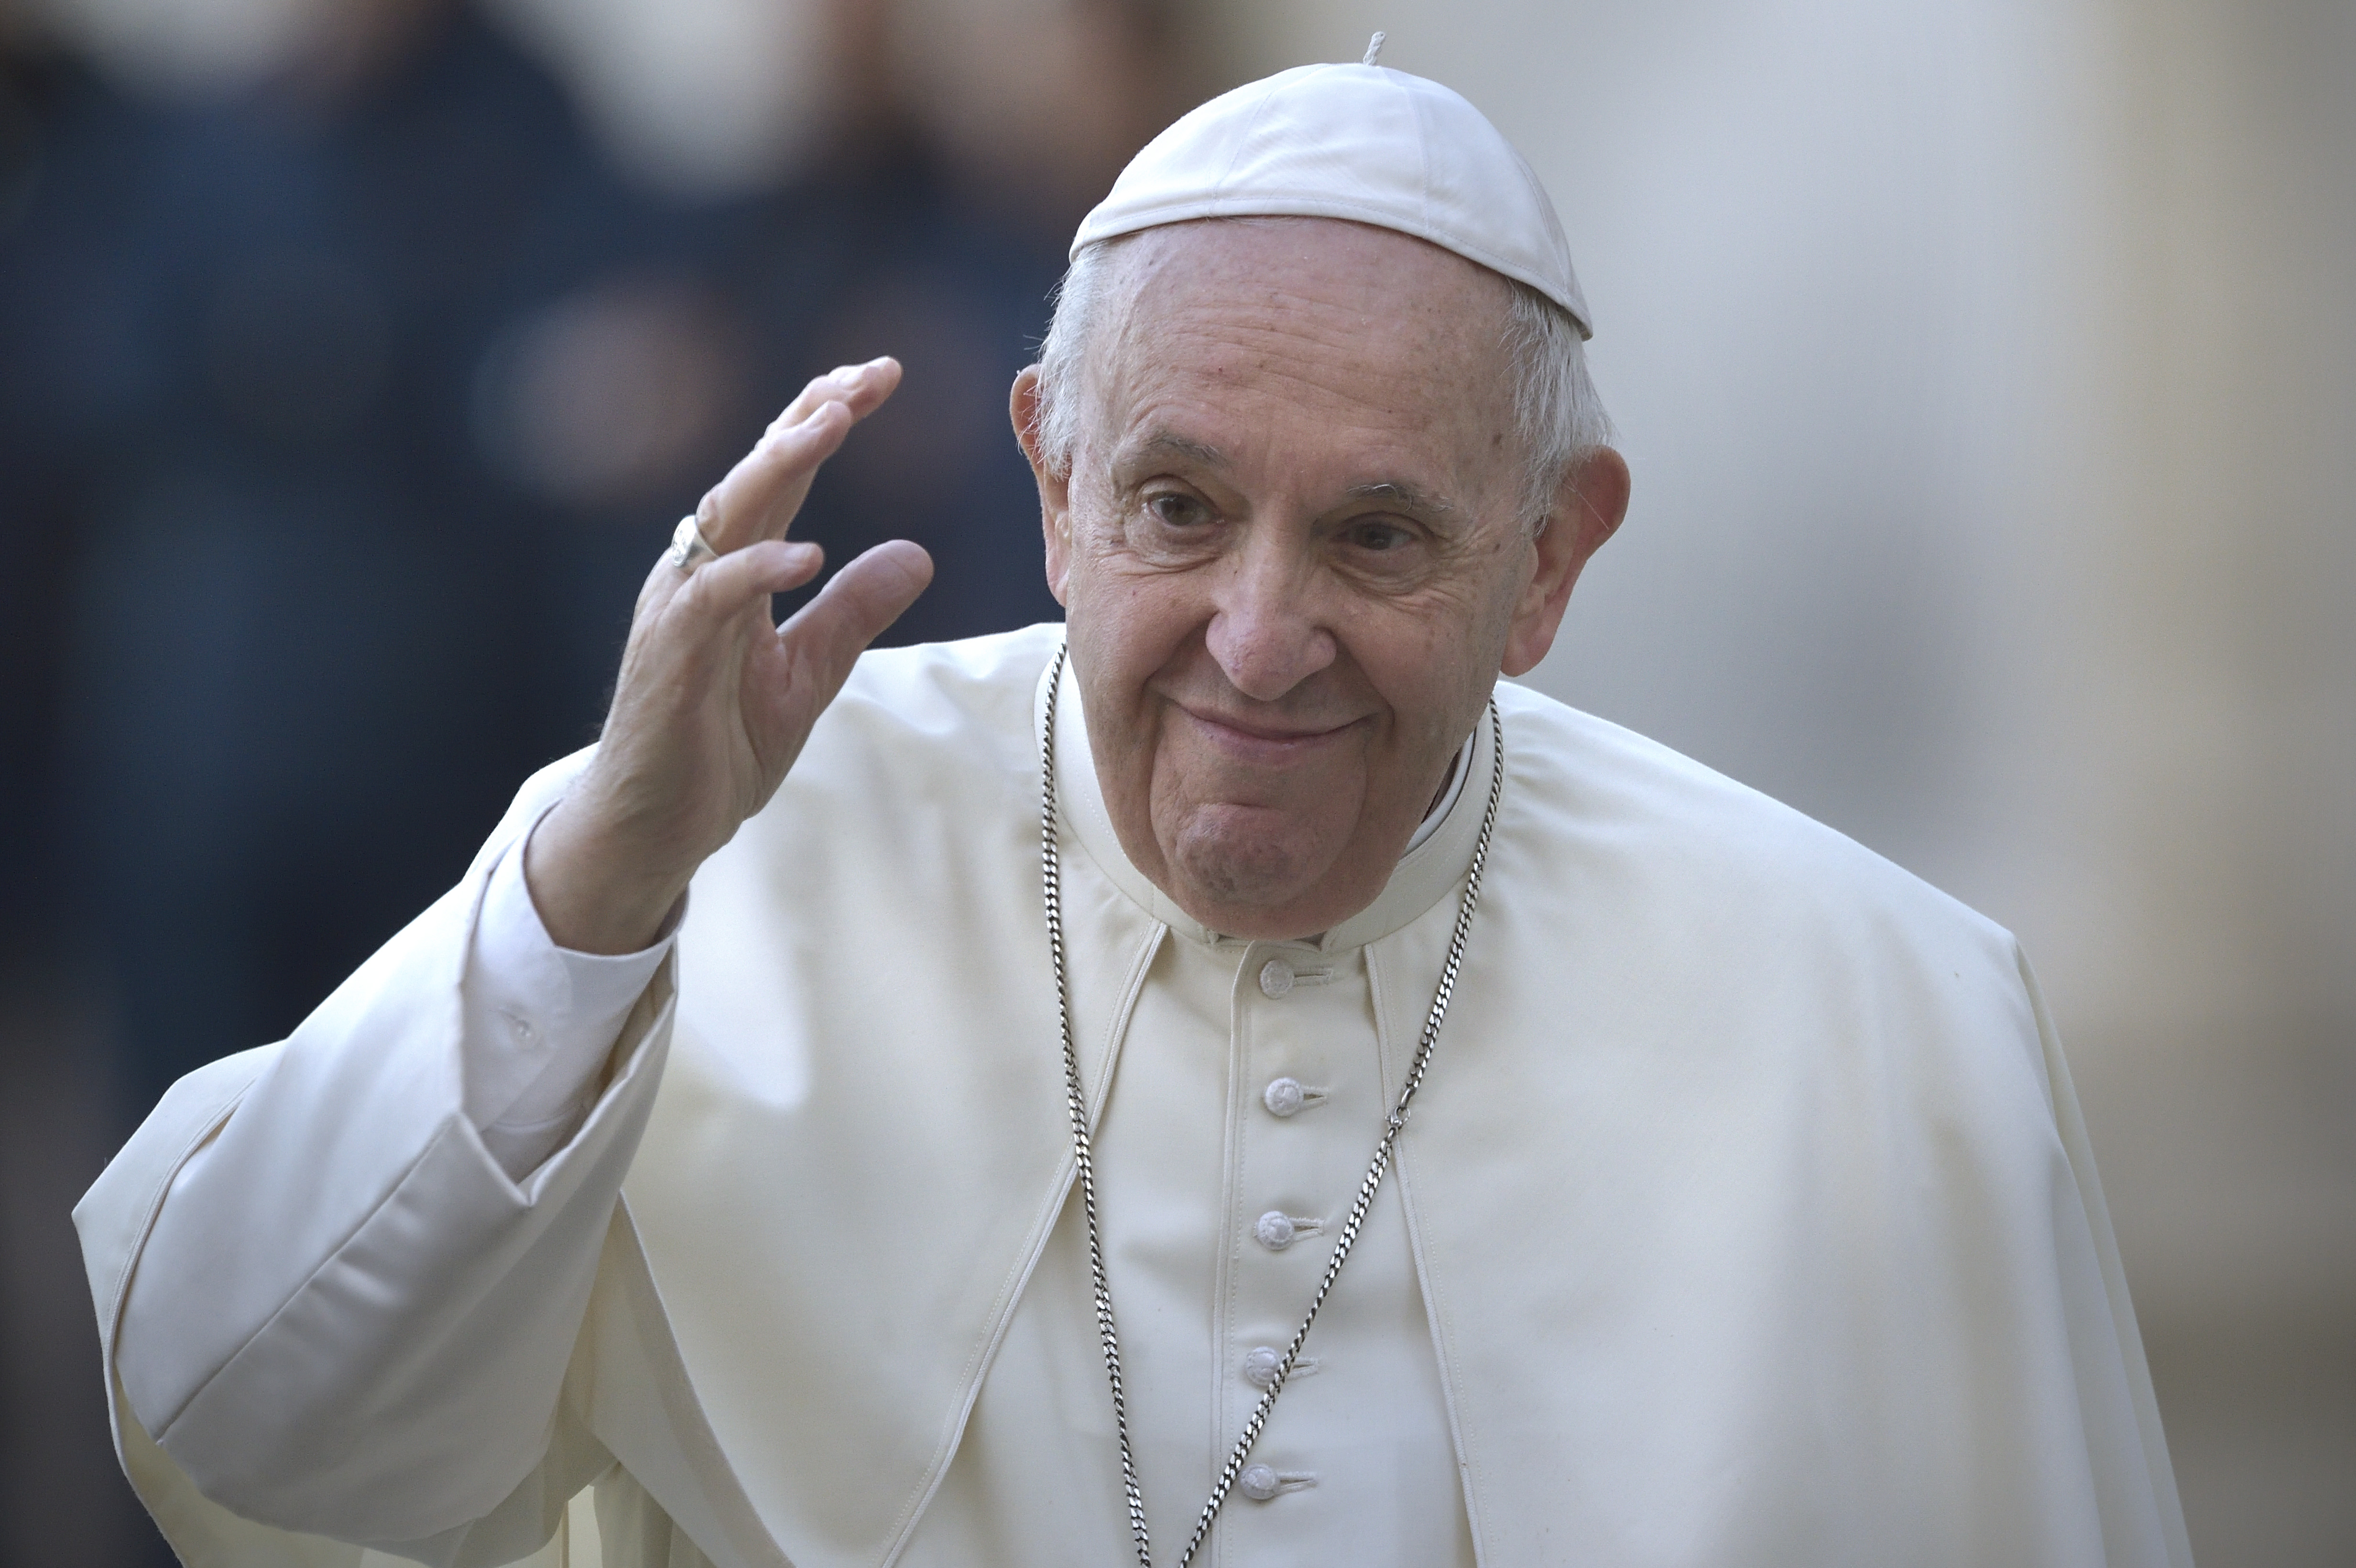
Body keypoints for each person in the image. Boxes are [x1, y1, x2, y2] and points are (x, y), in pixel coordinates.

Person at [76, 50, 2193, 1568]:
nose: (1256, 642)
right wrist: (586, 906)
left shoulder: (1870, 1009)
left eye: (1375, 537)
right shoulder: (715, 852)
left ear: (1549, 558)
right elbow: (253, 1420)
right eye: (1177, 506)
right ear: (1050, 484)